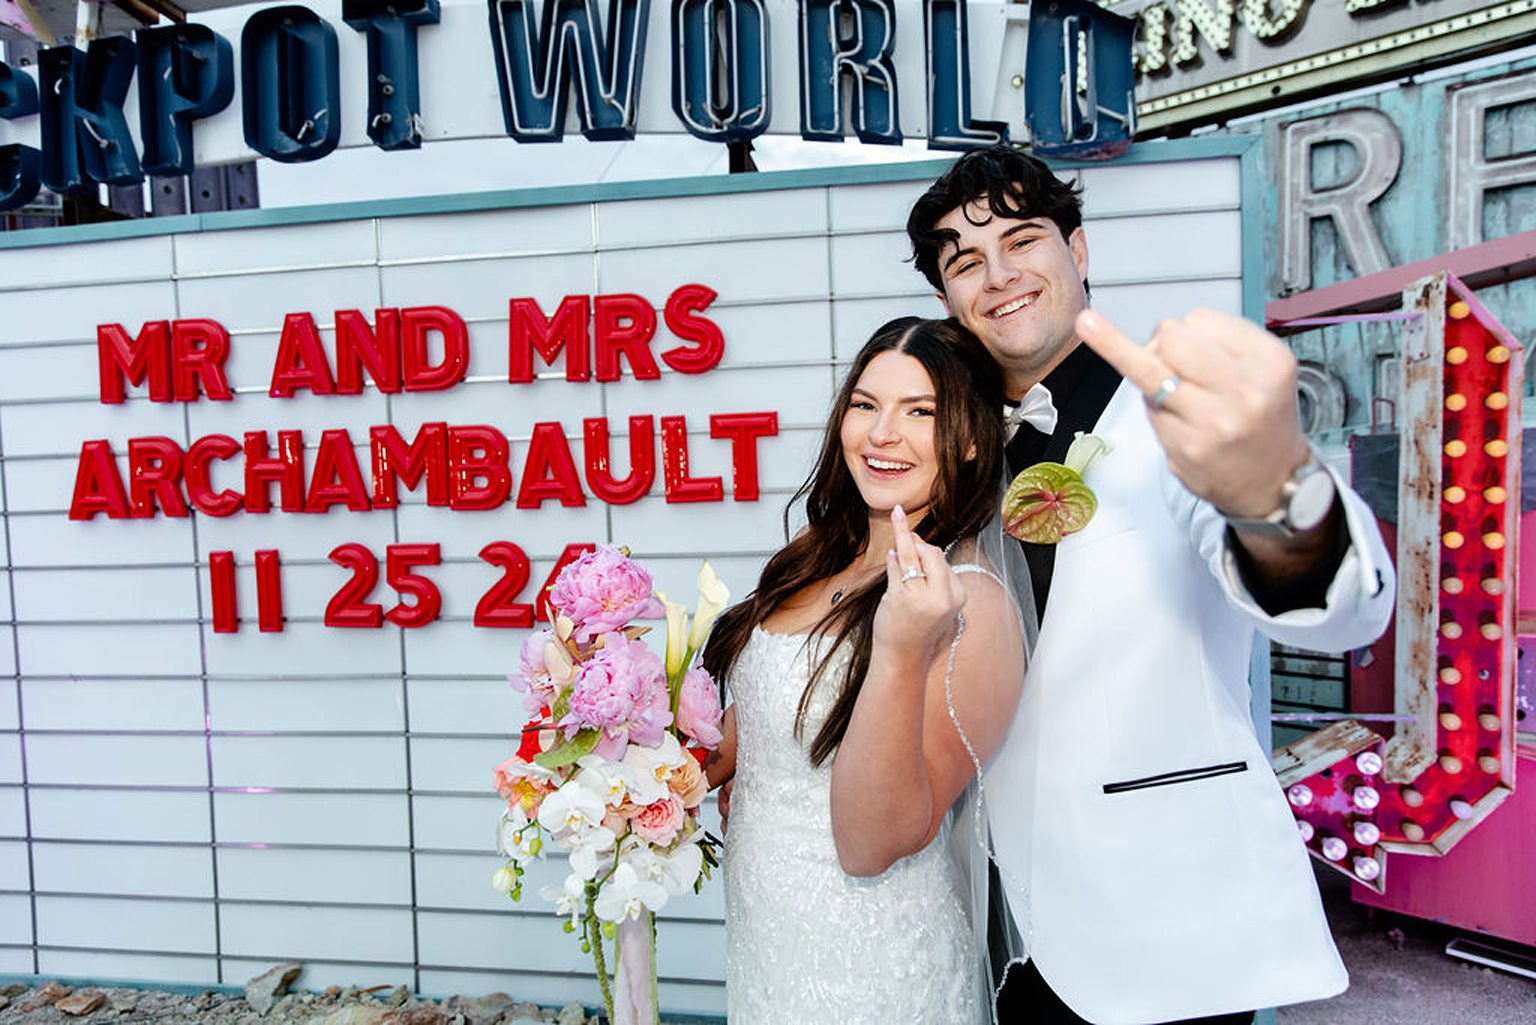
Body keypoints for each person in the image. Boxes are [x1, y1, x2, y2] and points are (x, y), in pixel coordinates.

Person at [903, 145, 1396, 1025]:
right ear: (946, 298)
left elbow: (1342, 613)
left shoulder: (1178, 416)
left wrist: (1274, 494)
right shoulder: (952, 447)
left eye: (1024, 240)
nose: (1000, 274)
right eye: (966, 260)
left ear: (1079, 249)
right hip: (996, 925)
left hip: (1167, 919)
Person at [700, 316, 1031, 1024]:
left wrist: (901, 647)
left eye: (920, 412)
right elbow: (759, 720)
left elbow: (870, 843)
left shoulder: (972, 604)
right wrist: (629, 765)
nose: (882, 434)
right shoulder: (813, 551)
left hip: (875, 967)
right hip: (767, 944)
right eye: (865, 403)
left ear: (970, 438)